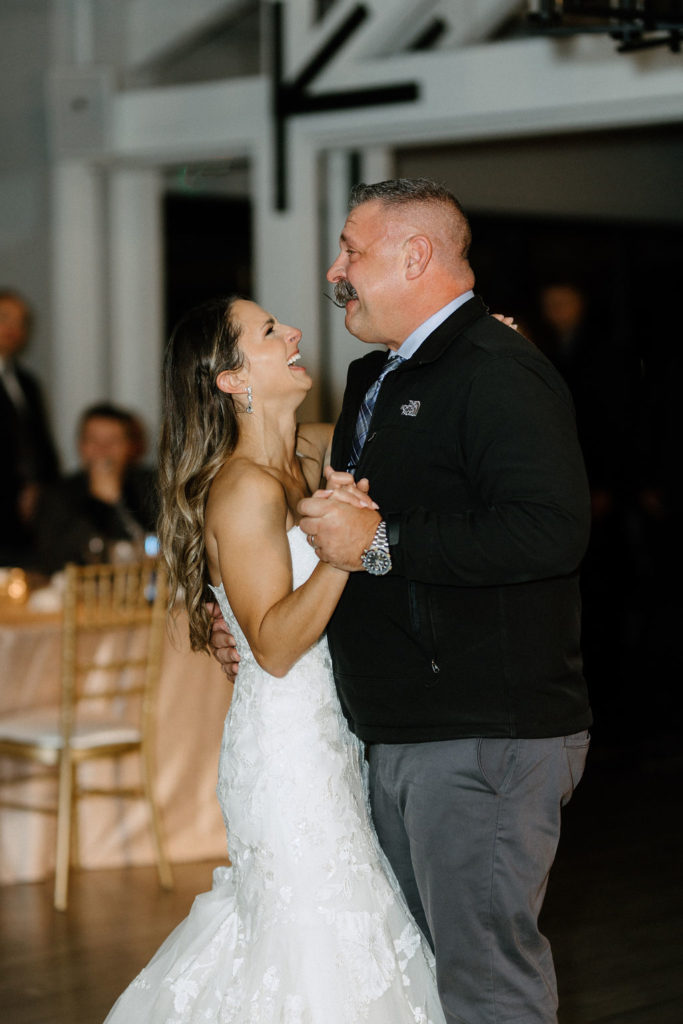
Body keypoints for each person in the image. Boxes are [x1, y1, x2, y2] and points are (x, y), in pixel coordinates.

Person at [211, 179, 593, 1024]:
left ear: (414, 255)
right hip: (399, 728)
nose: (333, 269)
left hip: (483, 730)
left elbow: (548, 532)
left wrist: (378, 546)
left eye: (350, 249)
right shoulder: (379, 377)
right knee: (424, 972)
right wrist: (236, 612)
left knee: (485, 979)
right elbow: (323, 517)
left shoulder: (495, 370)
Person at [103, 296, 447, 1023]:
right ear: (231, 379)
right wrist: (341, 552)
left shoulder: (305, 456)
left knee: (347, 934)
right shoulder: (246, 488)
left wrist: (484, 343)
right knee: (312, 943)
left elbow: (405, 412)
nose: (293, 333)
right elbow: (275, 645)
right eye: (268, 332)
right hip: (287, 751)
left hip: (332, 735)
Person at [33, 402, 157, 573]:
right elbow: (55, 560)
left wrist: (117, 500)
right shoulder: (57, 496)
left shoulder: (154, 487)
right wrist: (100, 504)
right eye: (93, 440)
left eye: (113, 441)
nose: (102, 450)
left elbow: (160, 545)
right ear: (80, 445)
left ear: (130, 447)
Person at [0, 288, 60, 566]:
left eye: (21, 322)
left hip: (31, 519)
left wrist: (40, 490)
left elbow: (39, 445)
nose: (14, 328)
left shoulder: (27, 382)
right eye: (5, 318)